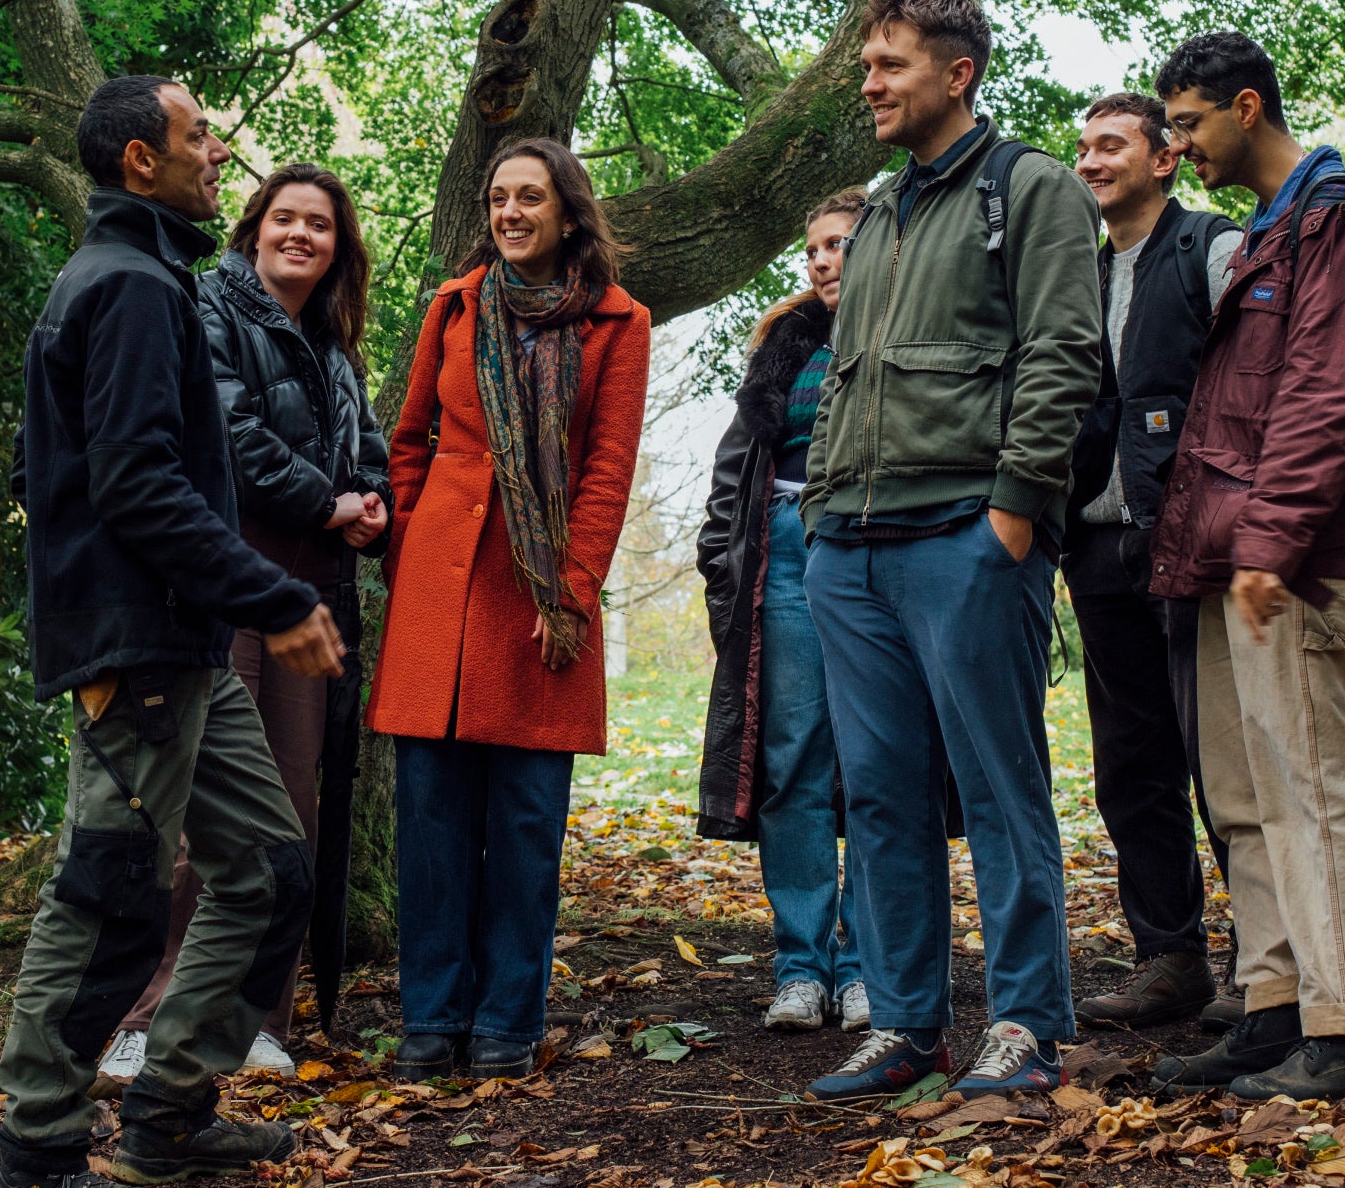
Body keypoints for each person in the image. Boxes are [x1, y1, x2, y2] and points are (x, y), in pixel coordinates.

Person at [0, 77, 345, 1188]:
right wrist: (276, 595)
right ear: (140, 160)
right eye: (198, 136)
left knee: (267, 870)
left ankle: (170, 1115)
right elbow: (136, 483)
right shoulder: (130, 287)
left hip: (184, 644)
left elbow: (38, 468)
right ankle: (40, 1148)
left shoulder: (137, 278)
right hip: (139, 646)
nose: (217, 153)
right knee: (107, 892)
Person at [798, 0, 1104, 1102]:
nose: (869, 83)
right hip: (852, 545)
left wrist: (1015, 506)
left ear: (956, 72)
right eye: (868, 65)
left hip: (969, 536)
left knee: (997, 784)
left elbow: (1065, 350)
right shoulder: (876, 211)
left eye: (888, 64)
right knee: (878, 796)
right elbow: (847, 372)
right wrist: (819, 519)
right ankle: (906, 1025)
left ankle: (1024, 1020)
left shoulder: (1032, 188)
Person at [1144, 31, 1345, 1100]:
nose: (1180, 147)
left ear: (1246, 106)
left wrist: (1267, 543)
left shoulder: (1337, 217)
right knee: (1245, 797)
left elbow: (1321, 395)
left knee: (1313, 784)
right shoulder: (1268, 227)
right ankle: (1274, 1005)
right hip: (1228, 560)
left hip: (1290, 558)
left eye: (1189, 125)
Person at [95, 165, 392, 1086]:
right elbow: (226, 434)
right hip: (224, 589)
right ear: (254, 228)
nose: (301, 235)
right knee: (193, 816)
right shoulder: (207, 306)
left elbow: (370, 454)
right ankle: (150, 1018)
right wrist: (330, 502)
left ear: (339, 247)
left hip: (311, 600)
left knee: (289, 816)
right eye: (285, 218)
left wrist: (374, 504)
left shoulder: (337, 351)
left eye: (321, 225)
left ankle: (260, 1018)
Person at [369, 138, 651, 1079]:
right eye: (497, 197)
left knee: (525, 824)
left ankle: (506, 1019)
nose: (509, 212)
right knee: (433, 820)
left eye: (529, 197)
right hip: (439, 591)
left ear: (568, 212)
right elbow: (409, 440)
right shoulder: (453, 306)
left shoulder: (618, 321)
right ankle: (431, 1017)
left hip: (540, 596)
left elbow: (607, 469)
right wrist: (412, 543)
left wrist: (570, 589)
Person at [1063, 94, 1243, 1031]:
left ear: (1166, 157)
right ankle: (1169, 958)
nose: (1090, 160)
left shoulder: (1211, 248)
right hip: (1096, 548)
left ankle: (1267, 960)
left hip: (1192, 546)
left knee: (1224, 756)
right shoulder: (1077, 275)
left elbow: (1258, 377)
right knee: (1131, 764)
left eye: (1111, 144)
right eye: (1082, 146)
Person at [697, 189, 872, 1036]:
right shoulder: (783, 344)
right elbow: (734, 473)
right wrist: (723, 578)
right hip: (788, 552)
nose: (823, 260)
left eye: (841, 243)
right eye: (814, 250)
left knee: (880, 760)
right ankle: (803, 967)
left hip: (880, 547)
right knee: (794, 760)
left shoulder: (908, 327)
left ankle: (875, 966)